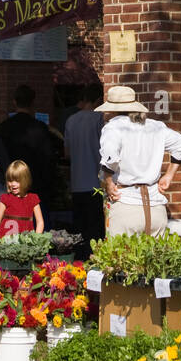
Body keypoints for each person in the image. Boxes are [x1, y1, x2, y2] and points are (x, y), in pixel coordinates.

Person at [98, 85, 181, 236]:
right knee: (156, 258)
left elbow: (110, 157)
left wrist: (108, 183)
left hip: (125, 205)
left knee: (120, 258)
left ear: (111, 109)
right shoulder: (156, 126)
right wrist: (169, 175)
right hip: (156, 208)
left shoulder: (113, 127)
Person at [0, 85, 56, 227]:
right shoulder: (40, 128)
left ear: (14, 102)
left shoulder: (4, 127)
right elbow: (48, 158)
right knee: (39, 223)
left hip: (11, 184)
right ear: (32, 103)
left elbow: (0, 157)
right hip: (37, 184)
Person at [63, 87, 105, 256]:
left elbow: (67, 153)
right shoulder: (99, 119)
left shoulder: (71, 120)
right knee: (96, 231)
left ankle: (79, 261)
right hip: (96, 183)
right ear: (98, 101)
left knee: (80, 230)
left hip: (77, 182)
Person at [0, 160, 44, 237]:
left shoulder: (33, 199)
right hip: (5, 241)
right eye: (10, 180)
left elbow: (40, 222)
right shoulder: (5, 198)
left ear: (25, 180)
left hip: (25, 240)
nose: (13, 184)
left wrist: (37, 239)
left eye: (17, 181)